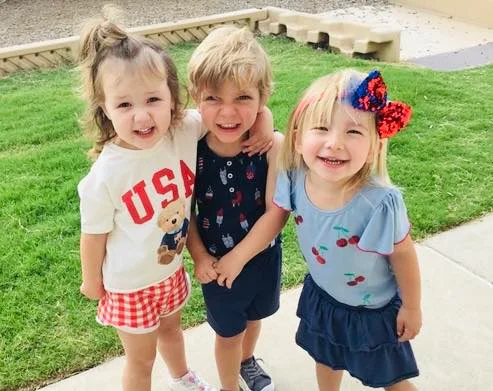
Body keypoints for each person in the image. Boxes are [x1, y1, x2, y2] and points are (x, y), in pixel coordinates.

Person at [76, 8, 273, 391]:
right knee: (141, 359)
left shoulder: (183, 130)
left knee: (172, 332)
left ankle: (183, 377)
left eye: (152, 99)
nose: (142, 116)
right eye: (124, 105)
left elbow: (233, 113)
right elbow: (93, 234)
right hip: (128, 285)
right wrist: (90, 280)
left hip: (170, 274)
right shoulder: (105, 175)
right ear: (105, 108)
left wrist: (263, 119)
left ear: (173, 98)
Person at [274, 69, 421, 390]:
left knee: (392, 379)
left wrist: (411, 306)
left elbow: (404, 254)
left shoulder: (379, 201)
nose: (335, 143)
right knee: (325, 359)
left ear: (374, 146)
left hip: (373, 313)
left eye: (353, 132)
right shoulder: (294, 177)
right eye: (322, 128)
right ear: (298, 138)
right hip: (324, 298)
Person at [186, 26, 288, 391]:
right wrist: (199, 256)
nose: (228, 112)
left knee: (255, 318)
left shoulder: (272, 146)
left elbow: (277, 211)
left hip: (261, 256)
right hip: (217, 265)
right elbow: (186, 212)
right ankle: (229, 386)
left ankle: (248, 362)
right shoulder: (190, 146)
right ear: (195, 98)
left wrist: (267, 119)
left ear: (262, 98)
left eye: (243, 97)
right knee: (228, 333)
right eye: (213, 98)